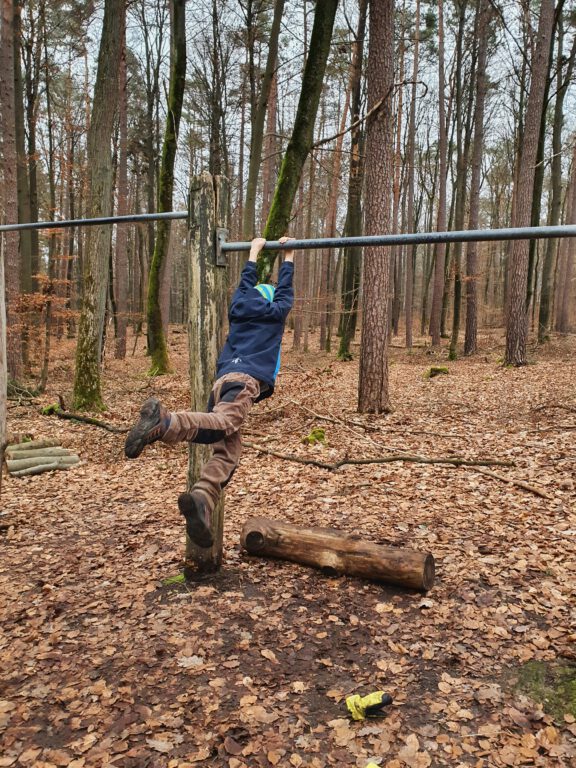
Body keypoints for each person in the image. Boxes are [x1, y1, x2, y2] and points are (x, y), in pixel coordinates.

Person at [124, 236, 295, 548]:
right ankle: (165, 423)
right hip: (245, 383)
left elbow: (247, 283)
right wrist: (289, 255)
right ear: (272, 303)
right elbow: (285, 289)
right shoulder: (276, 313)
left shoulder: (239, 307)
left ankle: (202, 499)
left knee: (228, 449)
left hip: (221, 383)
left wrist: (253, 252)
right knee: (226, 424)